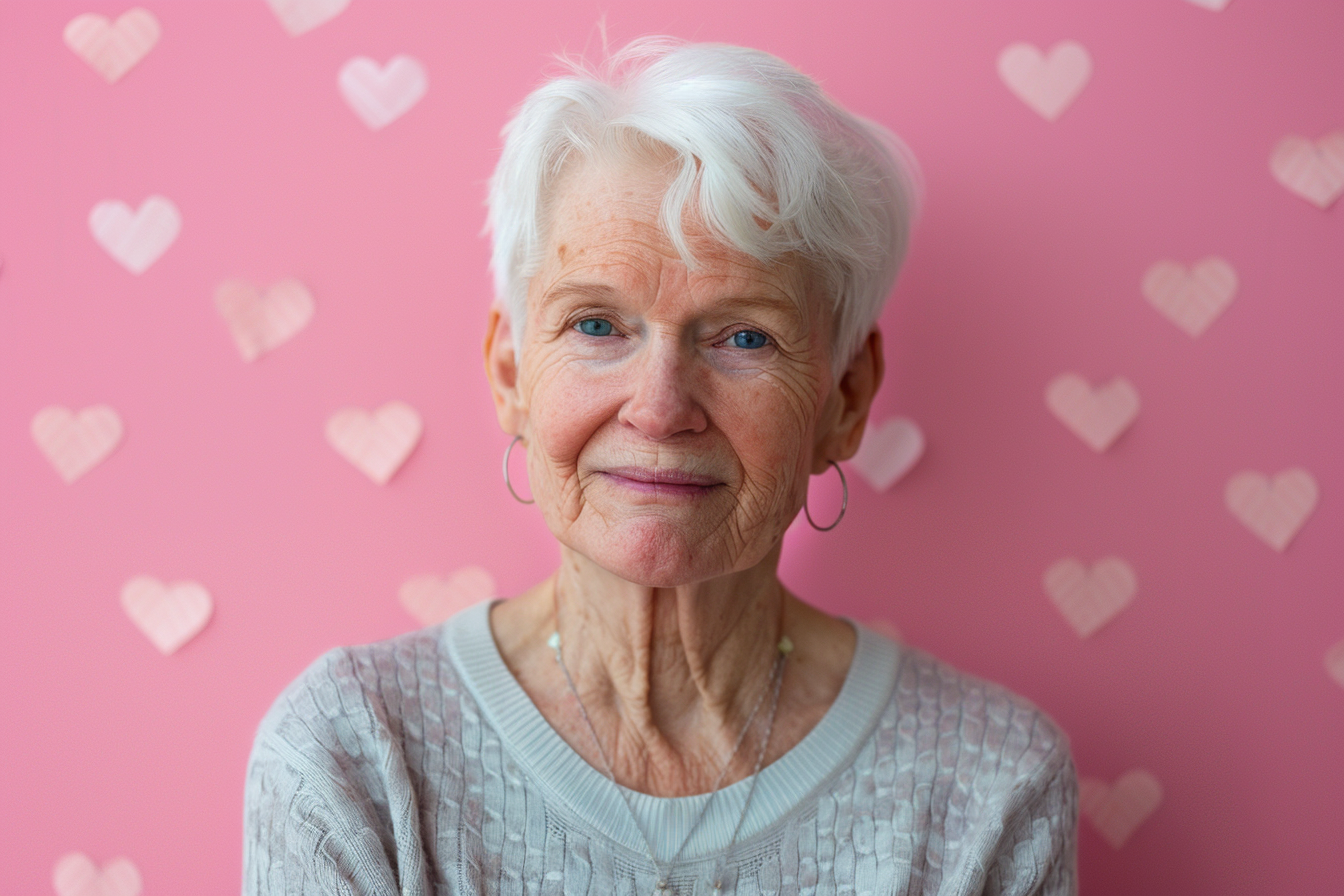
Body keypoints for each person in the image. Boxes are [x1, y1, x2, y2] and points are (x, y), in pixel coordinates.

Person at [244, 37, 1078, 895]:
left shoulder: (988, 786)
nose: (660, 407)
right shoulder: (353, 754)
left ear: (845, 398)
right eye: (596, 325)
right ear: (511, 373)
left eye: (744, 337)